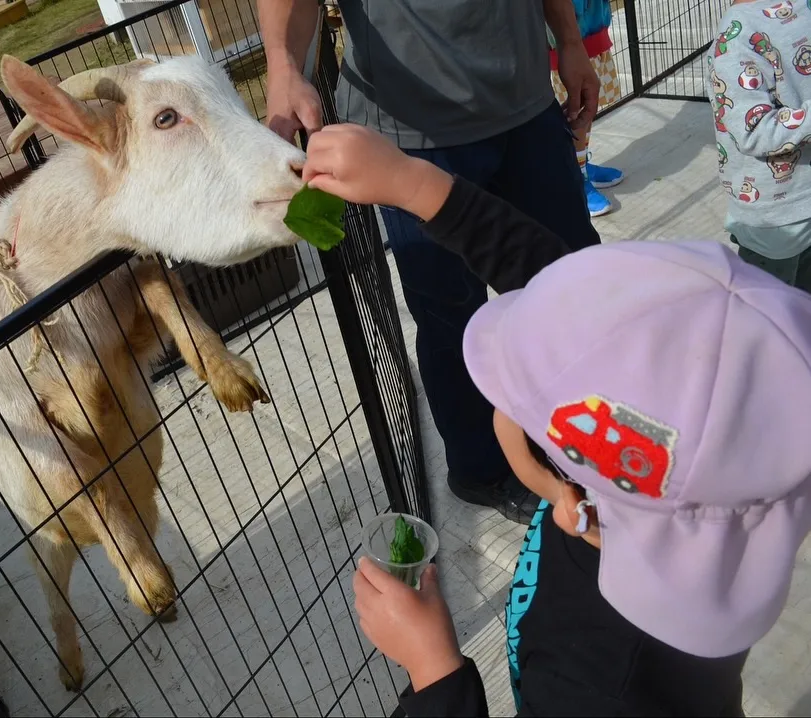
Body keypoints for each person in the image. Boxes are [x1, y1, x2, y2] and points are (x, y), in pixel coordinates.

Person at [303, 124, 811, 715]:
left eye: (520, 404)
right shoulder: (720, 527)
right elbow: (555, 281)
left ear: (590, 472)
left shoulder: (596, 687)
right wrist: (412, 183)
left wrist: (434, 673)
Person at [258, 0, 603, 525]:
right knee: (452, 316)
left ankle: (586, 425)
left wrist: (571, 44)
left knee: (574, 281)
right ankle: (481, 469)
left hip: (526, 104)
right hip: (412, 134)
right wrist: (283, 65)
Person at [708, 0, 811, 292]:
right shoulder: (738, 35)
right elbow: (754, 131)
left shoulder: (800, 8)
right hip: (774, 217)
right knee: (768, 319)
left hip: (804, 199)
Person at [548, 0, 626, 217]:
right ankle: (576, 176)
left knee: (588, 107)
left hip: (591, 31)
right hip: (565, 44)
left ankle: (581, 164)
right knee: (574, 113)